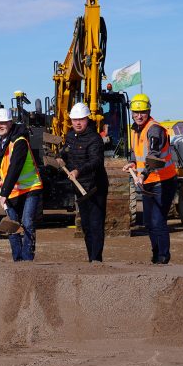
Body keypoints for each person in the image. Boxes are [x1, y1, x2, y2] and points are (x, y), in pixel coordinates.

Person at [122, 93, 178, 264]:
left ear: (149, 111)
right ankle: (155, 255)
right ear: (131, 113)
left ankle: (163, 257)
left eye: (143, 112)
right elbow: (136, 153)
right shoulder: (134, 130)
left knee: (158, 220)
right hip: (148, 181)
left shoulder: (154, 130)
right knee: (149, 222)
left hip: (163, 181)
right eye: (136, 112)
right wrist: (132, 163)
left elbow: (153, 156)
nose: (139, 116)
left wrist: (143, 174)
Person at [0, 107, 43, 261]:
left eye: (3, 123)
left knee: (27, 222)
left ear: (10, 123)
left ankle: (27, 259)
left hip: (30, 187)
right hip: (13, 190)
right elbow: (4, 164)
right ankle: (17, 259)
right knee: (12, 226)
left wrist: (4, 193)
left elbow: (15, 166)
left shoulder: (19, 140)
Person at [61, 102, 108, 262]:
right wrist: (61, 158)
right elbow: (67, 152)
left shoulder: (95, 139)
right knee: (86, 226)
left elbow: (96, 161)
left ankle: (96, 260)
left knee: (95, 225)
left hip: (95, 188)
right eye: (75, 120)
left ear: (88, 119)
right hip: (79, 189)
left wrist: (78, 170)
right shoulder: (69, 136)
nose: (78, 123)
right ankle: (91, 259)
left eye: (81, 119)